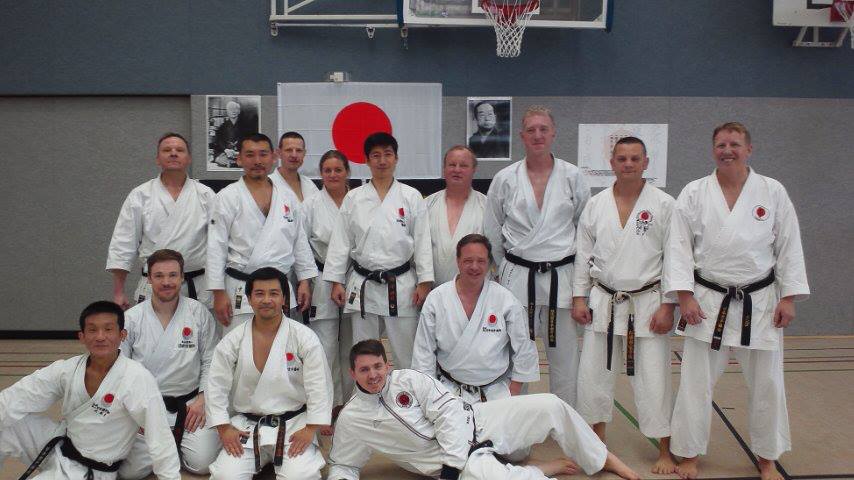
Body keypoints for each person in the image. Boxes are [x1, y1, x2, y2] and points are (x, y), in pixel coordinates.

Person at [664, 122, 809, 480]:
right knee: (695, 382)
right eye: (721, 145)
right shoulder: (695, 192)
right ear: (713, 149)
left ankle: (767, 458)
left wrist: (788, 297)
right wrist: (685, 296)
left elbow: (788, 246)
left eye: (734, 144)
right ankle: (688, 454)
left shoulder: (772, 191)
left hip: (759, 303)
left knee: (767, 385)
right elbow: (678, 247)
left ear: (749, 149)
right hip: (707, 301)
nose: (727, 150)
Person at [327, 339, 640, 480]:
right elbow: (344, 464)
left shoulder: (409, 380)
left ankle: (602, 458)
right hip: (443, 462)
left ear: (387, 365)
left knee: (550, 405)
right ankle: (542, 470)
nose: (373, 375)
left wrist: (452, 466)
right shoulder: (353, 419)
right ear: (352, 373)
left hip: (476, 420)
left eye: (378, 366)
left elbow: (449, 413)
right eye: (364, 370)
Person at [571, 136, 677, 474]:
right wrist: (578, 297)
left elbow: (675, 258)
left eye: (634, 158)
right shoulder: (596, 204)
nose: (628, 164)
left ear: (646, 162)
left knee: (654, 380)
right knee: (593, 377)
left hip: (647, 304)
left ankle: (665, 449)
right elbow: (583, 254)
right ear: (612, 163)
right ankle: (596, 441)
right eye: (622, 158)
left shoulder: (664, 204)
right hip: (603, 300)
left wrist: (669, 305)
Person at [483, 105, 590, 407]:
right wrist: (503, 270)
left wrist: (582, 289)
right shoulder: (505, 178)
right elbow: (491, 230)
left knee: (565, 360)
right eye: (531, 130)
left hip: (562, 278)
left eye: (544, 129)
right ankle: (516, 424)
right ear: (522, 136)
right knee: (516, 356)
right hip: (518, 278)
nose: (538, 135)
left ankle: (565, 423)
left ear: (553, 133)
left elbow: (585, 232)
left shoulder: (573, 176)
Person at [0, 301, 180, 480]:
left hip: (89, 471)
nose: (100, 337)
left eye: (108, 329)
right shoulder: (68, 369)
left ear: (122, 335)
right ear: (82, 336)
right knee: (7, 423)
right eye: (93, 330)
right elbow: (20, 395)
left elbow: (160, 436)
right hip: (60, 445)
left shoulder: (136, 378)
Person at [205, 267, 333, 480]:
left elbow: (319, 385)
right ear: (249, 299)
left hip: (293, 426)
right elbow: (215, 386)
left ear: (284, 298)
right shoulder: (233, 340)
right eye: (259, 294)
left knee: (299, 477)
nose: (266, 300)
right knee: (225, 477)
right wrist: (224, 428)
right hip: (248, 427)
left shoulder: (304, 337)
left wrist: (310, 428)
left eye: (273, 293)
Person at [324, 132, 434, 370]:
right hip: (364, 285)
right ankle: (366, 393)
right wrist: (336, 281)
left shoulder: (411, 196)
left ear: (396, 158)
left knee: (407, 354)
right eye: (375, 155)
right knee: (364, 354)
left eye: (387, 154)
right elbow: (341, 241)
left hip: (401, 285)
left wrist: (425, 281)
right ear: (366, 160)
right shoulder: (354, 198)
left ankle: (410, 392)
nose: (382, 161)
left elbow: (422, 241)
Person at [118, 249, 221, 478]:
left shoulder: (198, 313)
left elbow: (211, 359)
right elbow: (120, 369)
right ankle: (171, 443)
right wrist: (134, 411)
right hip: (147, 405)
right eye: (159, 276)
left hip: (190, 405)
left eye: (173, 275)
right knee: (130, 473)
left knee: (202, 464)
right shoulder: (132, 318)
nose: (166, 282)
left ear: (182, 277)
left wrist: (203, 398)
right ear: (148, 279)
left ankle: (172, 442)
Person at [206, 133, 318, 333]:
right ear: (239, 159)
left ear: (273, 157)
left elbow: (299, 241)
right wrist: (218, 292)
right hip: (241, 287)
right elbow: (216, 246)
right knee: (239, 346)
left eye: (263, 154)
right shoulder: (227, 197)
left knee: (282, 346)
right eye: (250, 155)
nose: (257, 161)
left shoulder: (287, 196)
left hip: (279, 288)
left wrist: (304, 280)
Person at [411, 234, 539, 403]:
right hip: (448, 391)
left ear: (489, 263)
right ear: (458, 261)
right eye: (468, 260)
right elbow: (424, 353)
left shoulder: (505, 300)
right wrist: (430, 393)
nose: (474, 267)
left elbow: (524, 348)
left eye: (481, 261)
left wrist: (513, 390)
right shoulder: (437, 298)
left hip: (497, 393)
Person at [106, 132, 215, 309]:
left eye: (180, 150)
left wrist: (220, 290)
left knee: (196, 327)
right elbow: (123, 243)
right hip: (153, 285)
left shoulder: (206, 195)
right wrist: (118, 292)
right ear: (157, 159)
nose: (173, 153)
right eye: (167, 150)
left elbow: (218, 244)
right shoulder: (140, 195)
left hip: (195, 285)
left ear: (189, 158)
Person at [301, 150, 355, 431]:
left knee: (352, 345)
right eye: (327, 170)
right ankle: (325, 407)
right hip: (321, 281)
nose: (333, 175)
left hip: (355, 278)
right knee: (324, 349)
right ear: (321, 174)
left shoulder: (358, 201)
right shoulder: (310, 205)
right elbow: (301, 246)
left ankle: (352, 405)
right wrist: (304, 281)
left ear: (347, 172)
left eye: (338, 169)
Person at [425, 146, 487, 285]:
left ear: (473, 170)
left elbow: (495, 252)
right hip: (433, 291)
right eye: (452, 165)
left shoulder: (487, 207)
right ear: (444, 169)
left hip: (477, 289)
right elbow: (418, 251)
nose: (457, 170)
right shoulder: (427, 205)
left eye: (463, 165)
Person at [271, 131, 320, 203]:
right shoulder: (268, 184)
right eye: (289, 150)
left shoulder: (309, 185)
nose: (294, 155)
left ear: (304, 153)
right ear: (279, 153)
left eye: (299, 150)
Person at [212, 101, 258, 168]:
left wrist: (238, 152)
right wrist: (226, 150)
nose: (233, 111)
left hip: (241, 152)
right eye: (231, 109)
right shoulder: (222, 127)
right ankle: (234, 162)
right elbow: (219, 142)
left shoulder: (247, 126)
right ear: (227, 112)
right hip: (226, 153)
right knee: (219, 159)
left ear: (239, 111)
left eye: (235, 109)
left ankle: (233, 163)